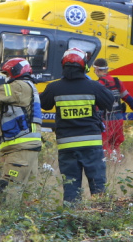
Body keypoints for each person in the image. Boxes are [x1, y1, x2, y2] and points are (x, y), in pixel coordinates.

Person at [40, 49, 116, 203]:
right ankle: (102, 217)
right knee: (98, 186)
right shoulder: (93, 86)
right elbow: (109, 103)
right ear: (84, 66)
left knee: (71, 188)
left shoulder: (54, 88)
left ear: (63, 65)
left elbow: (44, 104)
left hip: (66, 145)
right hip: (91, 145)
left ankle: (70, 221)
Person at [0, 57, 44, 206]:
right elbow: (10, 109)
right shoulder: (28, 87)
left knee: (7, 187)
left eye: (7, 74)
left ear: (16, 72)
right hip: (29, 147)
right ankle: (30, 225)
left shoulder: (19, 86)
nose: (7, 78)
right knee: (29, 191)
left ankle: (5, 224)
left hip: (20, 147)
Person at [92, 59, 133, 161]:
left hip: (106, 121)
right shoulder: (117, 82)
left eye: (94, 69)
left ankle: (110, 168)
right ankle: (118, 166)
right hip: (118, 119)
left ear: (97, 69)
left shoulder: (98, 84)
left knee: (104, 146)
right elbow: (129, 99)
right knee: (116, 146)